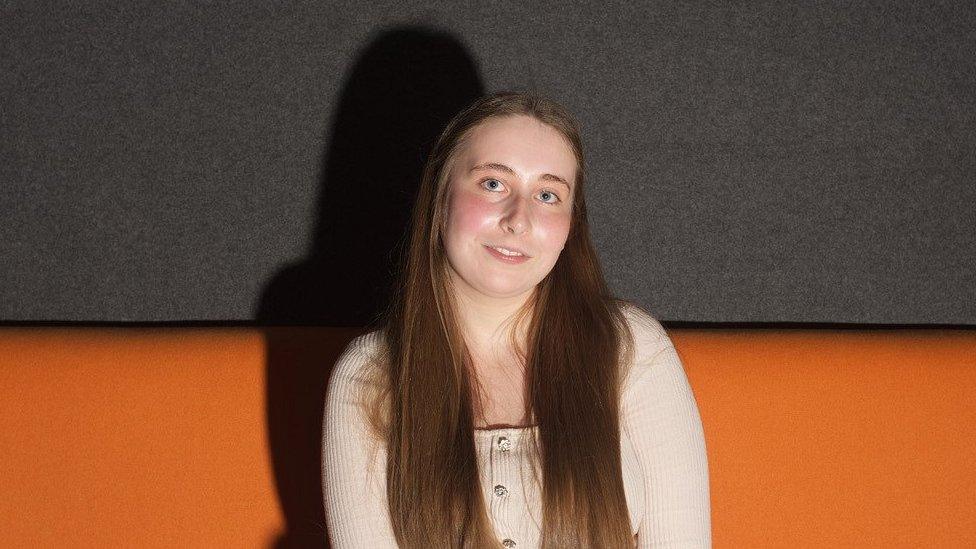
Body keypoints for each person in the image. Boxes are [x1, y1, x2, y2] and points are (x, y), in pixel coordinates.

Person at [322, 91, 711, 548]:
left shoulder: (631, 348)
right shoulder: (371, 374)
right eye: (493, 184)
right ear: (440, 196)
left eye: (548, 195)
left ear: (570, 226)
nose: (519, 219)